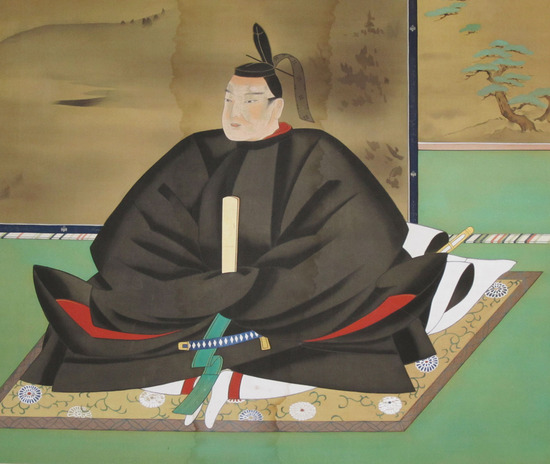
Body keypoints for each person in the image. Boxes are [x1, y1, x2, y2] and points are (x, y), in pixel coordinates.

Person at [22, 24, 485, 426]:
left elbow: (356, 232)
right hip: (192, 288)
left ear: (277, 107)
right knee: (103, 308)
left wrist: (257, 283)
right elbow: (138, 229)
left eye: (249, 101)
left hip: (291, 293)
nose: (234, 112)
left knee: (377, 296)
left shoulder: (317, 151)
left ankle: (230, 331)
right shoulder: (196, 150)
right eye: (228, 99)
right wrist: (201, 284)